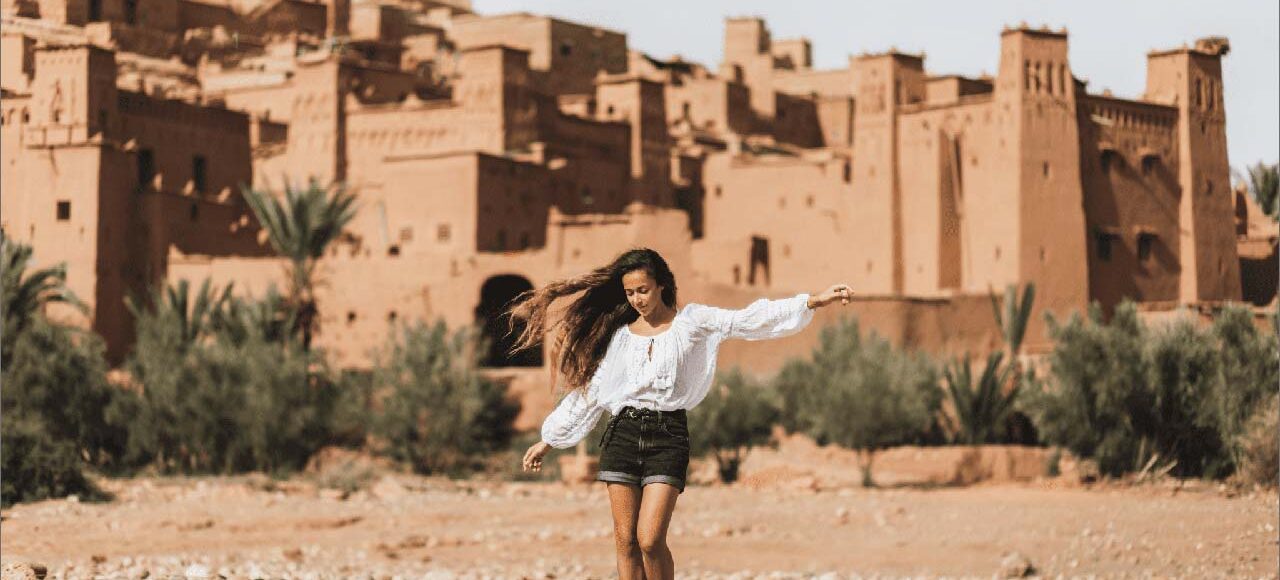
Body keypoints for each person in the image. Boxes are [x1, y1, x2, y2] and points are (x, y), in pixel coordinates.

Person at [504, 247, 851, 580]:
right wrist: (548, 441)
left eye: (643, 290)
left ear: (662, 286)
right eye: (629, 293)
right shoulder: (619, 338)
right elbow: (593, 394)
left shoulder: (693, 321)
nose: (637, 299)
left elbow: (746, 319)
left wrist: (811, 300)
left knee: (650, 540)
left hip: (667, 437)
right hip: (621, 435)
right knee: (625, 542)